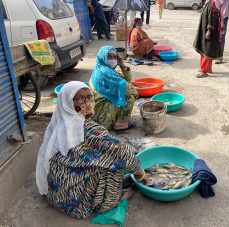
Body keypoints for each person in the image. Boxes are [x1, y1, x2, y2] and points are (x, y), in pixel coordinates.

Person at [36, 81, 146, 219]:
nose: (87, 102)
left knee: (106, 155)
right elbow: (122, 152)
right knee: (115, 164)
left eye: (89, 97)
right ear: (69, 101)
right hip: (75, 199)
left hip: (57, 191)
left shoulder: (59, 121)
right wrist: (140, 173)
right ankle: (108, 202)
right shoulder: (86, 127)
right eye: (81, 98)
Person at [90, 46, 137, 131]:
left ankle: (117, 119)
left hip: (98, 114)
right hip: (104, 118)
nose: (112, 60)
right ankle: (120, 123)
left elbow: (127, 80)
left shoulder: (100, 68)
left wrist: (122, 66)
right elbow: (129, 88)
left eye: (115, 57)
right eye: (109, 57)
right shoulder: (105, 73)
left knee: (123, 91)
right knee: (131, 95)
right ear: (102, 57)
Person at [193, 0, 223, 78]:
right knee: (206, 50)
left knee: (207, 50)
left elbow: (213, 18)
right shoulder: (209, 2)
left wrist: (209, 30)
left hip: (209, 31)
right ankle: (208, 68)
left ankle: (204, 71)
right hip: (206, 29)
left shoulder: (212, 3)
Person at [215, 0, 229, 64]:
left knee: (221, 37)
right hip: (216, 15)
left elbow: (217, 3)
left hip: (223, 17)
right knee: (215, 35)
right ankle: (215, 53)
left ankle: (219, 56)